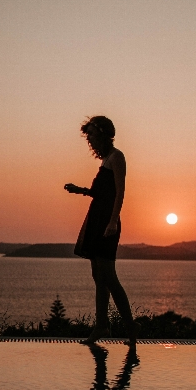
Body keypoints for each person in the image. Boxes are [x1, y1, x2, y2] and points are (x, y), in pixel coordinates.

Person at [64, 116, 139, 346]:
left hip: (107, 221)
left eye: (92, 136)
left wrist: (113, 221)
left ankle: (131, 331)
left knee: (109, 277)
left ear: (104, 134)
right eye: (88, 138)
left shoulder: (117, 157)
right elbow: (101, 193)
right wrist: (81, 190)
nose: (90, 142)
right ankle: (101, 326)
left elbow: (119, 192)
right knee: (98, 276)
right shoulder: (106, 159)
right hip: (97, 219)